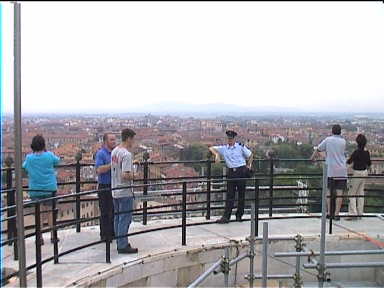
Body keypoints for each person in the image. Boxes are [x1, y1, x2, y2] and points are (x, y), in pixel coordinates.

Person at [22, 135, 61, 245]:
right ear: (43, 145)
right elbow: (57, 161)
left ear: (32, 146)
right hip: (50, 188)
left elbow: (24, 166)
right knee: (50, 212)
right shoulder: (49, 155)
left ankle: (39, 238)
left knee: (38, 214)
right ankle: (53, 236)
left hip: (35, 189)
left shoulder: (29, 158)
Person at [209, 130, 253, 224]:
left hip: (241, 171)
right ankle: (226, 217)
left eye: (231, 138)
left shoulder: (240, 147)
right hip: (231, 172)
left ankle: (239, 215)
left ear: (234, 138)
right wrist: (216, 155)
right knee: (230, 195)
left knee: (241, 195)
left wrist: (249, 166)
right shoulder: (224, 148)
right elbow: (211, 148)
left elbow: (250, 155)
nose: (230, 140)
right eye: (228, 138)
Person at [311, 124, 347, 220]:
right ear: (340, 132)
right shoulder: (343, 141)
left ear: (332, 131)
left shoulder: (328, 140)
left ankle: (329, 213)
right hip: (342, 170)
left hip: (331, 170)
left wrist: (312, 158)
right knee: (340, 193)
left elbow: (318, 149)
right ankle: (337, 214)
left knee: (328, 192)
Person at [111, 128, 138, 254]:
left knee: (117, 218)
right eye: (133, 139)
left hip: (115, 189)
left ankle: (119, 241)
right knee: (125, 218)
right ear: (128, 138)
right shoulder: (126, 155)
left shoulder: (115, 151)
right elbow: (125, 175)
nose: (133, 142)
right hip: (124, 191)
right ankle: (122, 245)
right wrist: (135, 175)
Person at [95, 133, 116, 242]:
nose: (114, 141)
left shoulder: (115, 153)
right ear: (105, 141)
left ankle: (112, 234)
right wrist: (112, 164)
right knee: (104, 212)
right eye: (111, 140)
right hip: (104, 185)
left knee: (113, 210)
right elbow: (99, 170)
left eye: (114, 139)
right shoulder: (101, 154)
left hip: (114, 185)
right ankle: (104, 235)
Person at [346, 134, 371, 220]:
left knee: (351, 193)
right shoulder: (367, 152)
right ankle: (360, 213)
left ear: (357, 142)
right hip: (364, 172)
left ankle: (353, 214)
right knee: (360, 193)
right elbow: (369, 164)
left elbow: (349, 161)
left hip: (357, 173)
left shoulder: (356, 152)